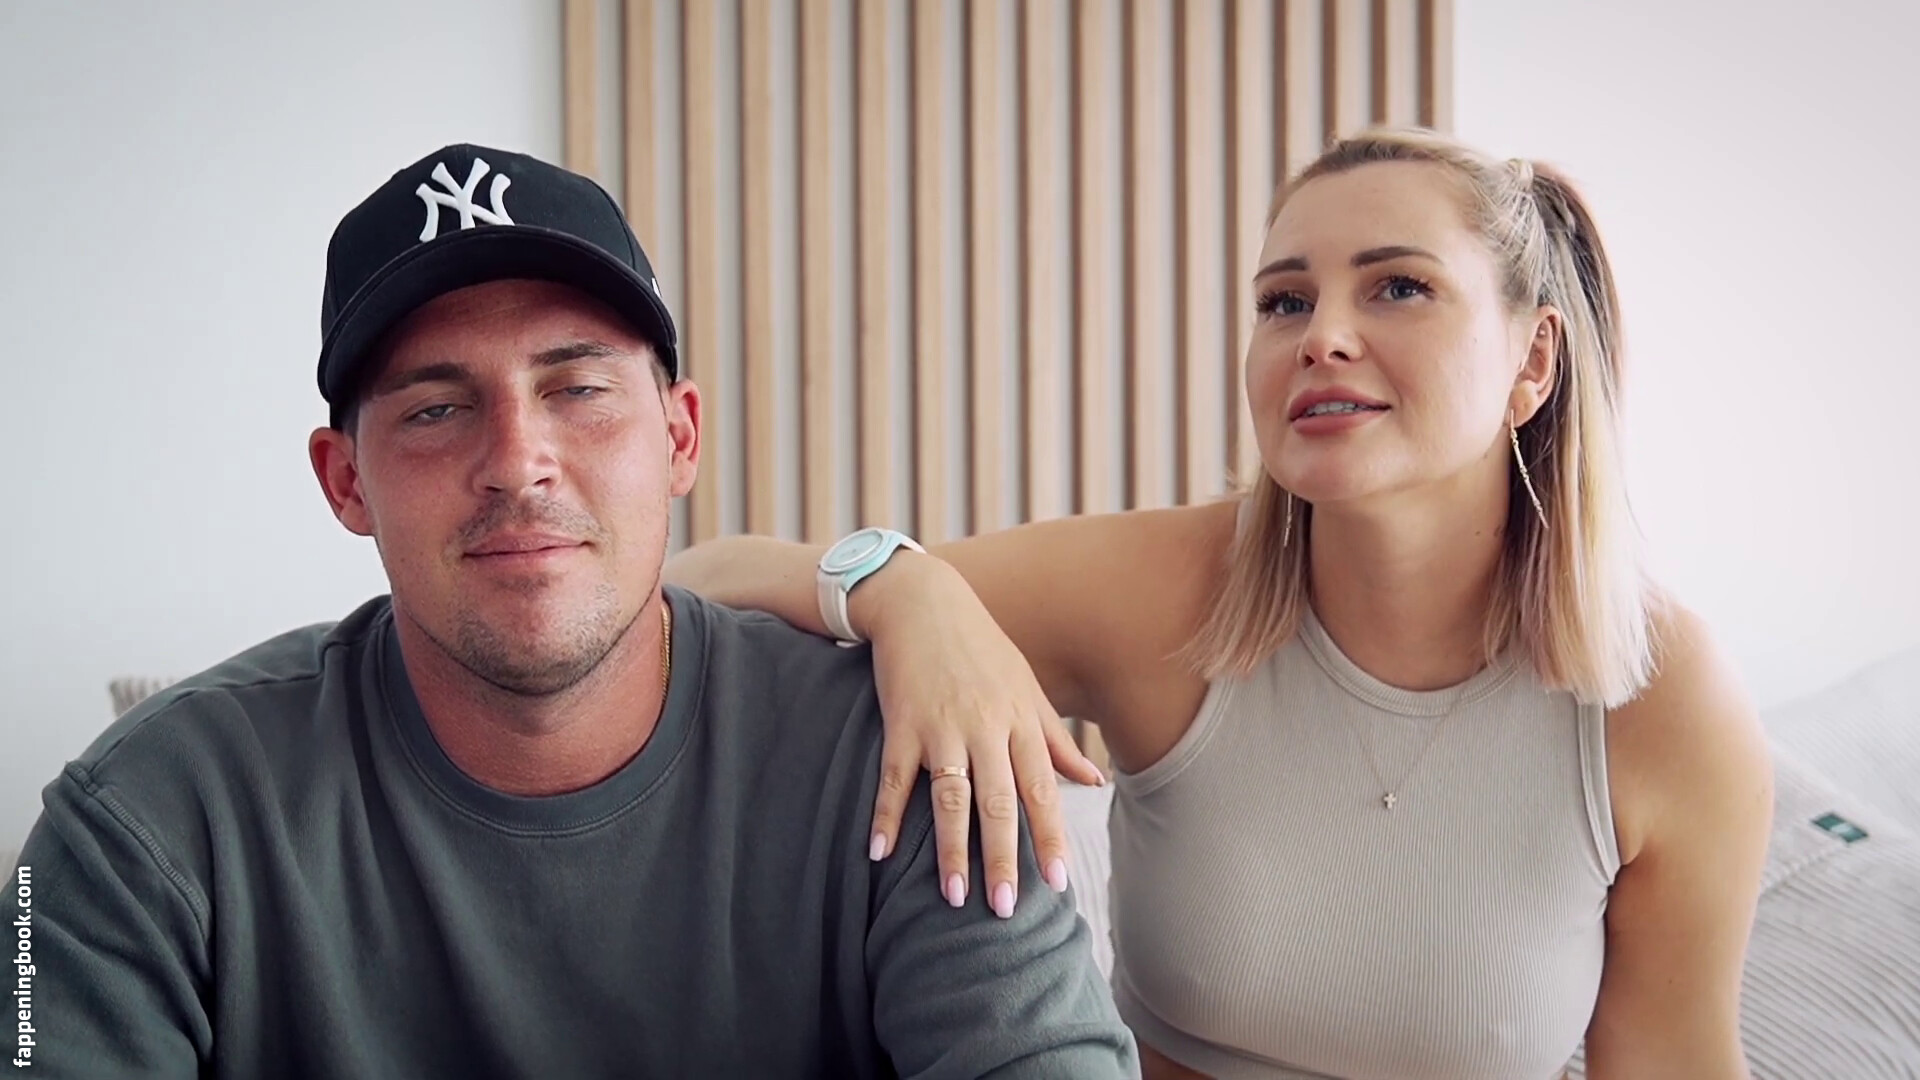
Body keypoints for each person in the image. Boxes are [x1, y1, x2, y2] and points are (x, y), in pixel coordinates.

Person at [667, 127, 1776, 1079]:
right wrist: (909, 591)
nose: (1321, 335)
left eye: (1398, 286)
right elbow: (696, 589)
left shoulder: (1666, 702)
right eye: (1284, 301)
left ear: (1533, 362)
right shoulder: (1167, 592)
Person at [10, 143, 1137, 1079]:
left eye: (579, 388)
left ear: (679, 436)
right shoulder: (144, 822)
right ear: (345, 481)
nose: (518, 461)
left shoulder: (908, 761)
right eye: (437, 409)